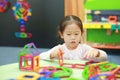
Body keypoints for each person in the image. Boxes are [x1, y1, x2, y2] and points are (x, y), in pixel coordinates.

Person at [40, 15, 107, 62]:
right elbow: (40, 57)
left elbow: (105, 57)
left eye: (76, 34)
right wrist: (51, 55)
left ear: (81, 33)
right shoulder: (60, 49)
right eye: (68, 34)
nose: (73, 37)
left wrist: (97, 53)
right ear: (61, 34)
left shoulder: (84, 48)